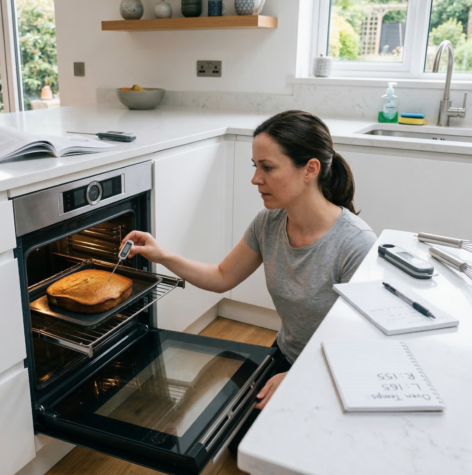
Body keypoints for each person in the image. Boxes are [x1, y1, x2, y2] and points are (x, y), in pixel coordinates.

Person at [121, 110, 377, 442]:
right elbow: (222, 276)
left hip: (332, 367)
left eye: (267, 167)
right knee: (232, 442)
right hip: (285, 354)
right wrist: (162, 254)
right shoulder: (268, 223)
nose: (256, 179)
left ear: (310, 170)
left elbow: (364, 342)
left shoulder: (355, 244)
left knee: (290, 452)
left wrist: (302, 374)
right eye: (254, 166)